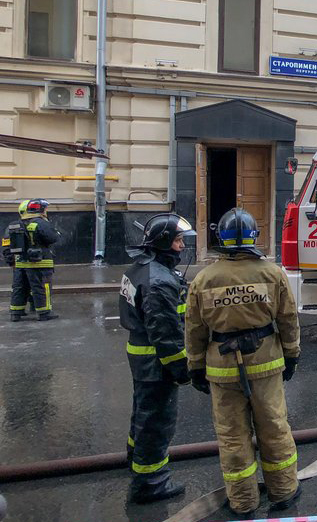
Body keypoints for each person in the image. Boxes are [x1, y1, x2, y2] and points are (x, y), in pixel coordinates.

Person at [186, 208, 301, 516]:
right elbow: (288, 319)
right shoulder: (272, 273)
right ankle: (283, 492)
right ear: (254, 236)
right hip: (266, 365)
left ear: (220, 238)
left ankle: (243, 501)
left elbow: (194, 330)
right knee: (274, 428)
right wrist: (291, 355)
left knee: (232, 437)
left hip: (222, 370)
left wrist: (195, 367)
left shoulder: (204, 279)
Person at [119, 213, 195, 503]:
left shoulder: (140, 268)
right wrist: (181, 370)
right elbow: (166, 336)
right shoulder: (160, 281)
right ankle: (151, 483)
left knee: (142, 413)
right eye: (177, 240)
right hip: (156, 362)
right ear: (163, 242)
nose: (181, 246)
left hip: (141, 356)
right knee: (156, 422)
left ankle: (135, 459)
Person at [3, 198, 59, 322]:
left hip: (20, 263)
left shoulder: (14, 225)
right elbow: (53, 238)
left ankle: (16, 313)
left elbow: (6, 245)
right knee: (41, 287)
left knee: (19, 288)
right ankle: (44, 312)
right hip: (40, 263)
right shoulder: (40, 223)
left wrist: (11, 261)